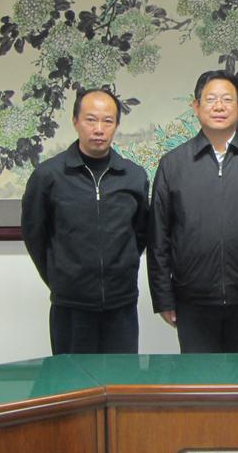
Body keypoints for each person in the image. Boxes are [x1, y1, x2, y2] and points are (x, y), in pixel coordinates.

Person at [147, 70, 238, 353]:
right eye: (210, 99)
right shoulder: (173, 164)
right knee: (200, 379)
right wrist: (163, 296)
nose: (219, 106)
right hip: (192, 301)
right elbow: (159, 237)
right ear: (196, 107)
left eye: (227, 99)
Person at [22, 88, 148, 354]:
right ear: (75, 121)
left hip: (121, 305)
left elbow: (140, 233)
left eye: (107, 121)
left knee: (120, 377)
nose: (99, 129)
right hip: (70, 306)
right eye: (91, 120)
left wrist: (119, 267)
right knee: (73, 377)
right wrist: (62, 277)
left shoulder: (133, 176)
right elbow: (35, 235)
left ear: (116, 125)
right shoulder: (49, 176)